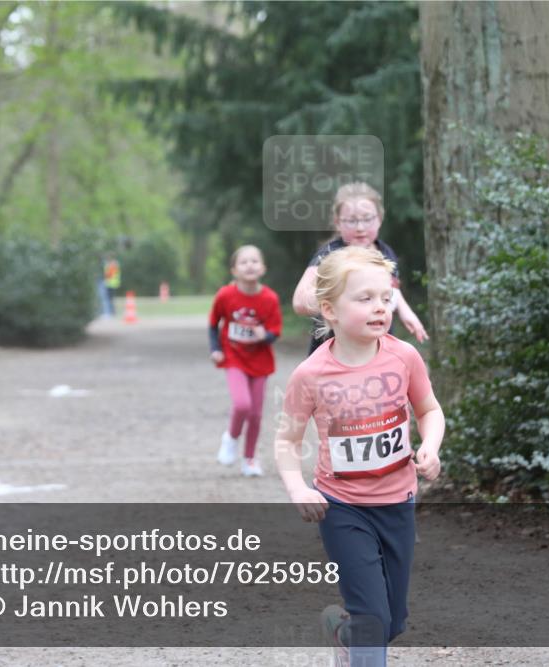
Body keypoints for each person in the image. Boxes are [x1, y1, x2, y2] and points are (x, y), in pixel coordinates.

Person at [276, 246, 445, 667]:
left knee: (392, 621)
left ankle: (341, 631)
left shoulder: (403, 356)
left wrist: (430, 446)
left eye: (386, 298)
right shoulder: (310, 374)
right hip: (342, 507)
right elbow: (287, 440)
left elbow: (429, 410)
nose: (380, 308)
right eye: (365, 298)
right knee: (373, 619)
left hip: (398, 504)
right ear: (329, 310)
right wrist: (298, 488)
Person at [292, 182, 428, 356]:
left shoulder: (385, 252)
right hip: (335, 354)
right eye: (351, 220)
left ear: (380, 218)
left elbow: (390, 288)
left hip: (379, 349)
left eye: (367, 218)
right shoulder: (330, 254)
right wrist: (342, 297)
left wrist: (405, 311)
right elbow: (299, 302)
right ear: (337, 222)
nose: (360, 227)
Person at [209, 245, 282, 476]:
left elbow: (275, 331)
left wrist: (265, 336)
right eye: (244, 262)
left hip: (260, 361)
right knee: (242, 404)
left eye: (254, 261)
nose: (249, 265)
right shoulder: (225, 295)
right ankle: (231, 438)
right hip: (233, 357)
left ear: (263, 268)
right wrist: (215, 349)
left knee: (256, 414)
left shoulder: (270, 298)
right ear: (234, 270)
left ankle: (250, 459)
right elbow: (214, 323)